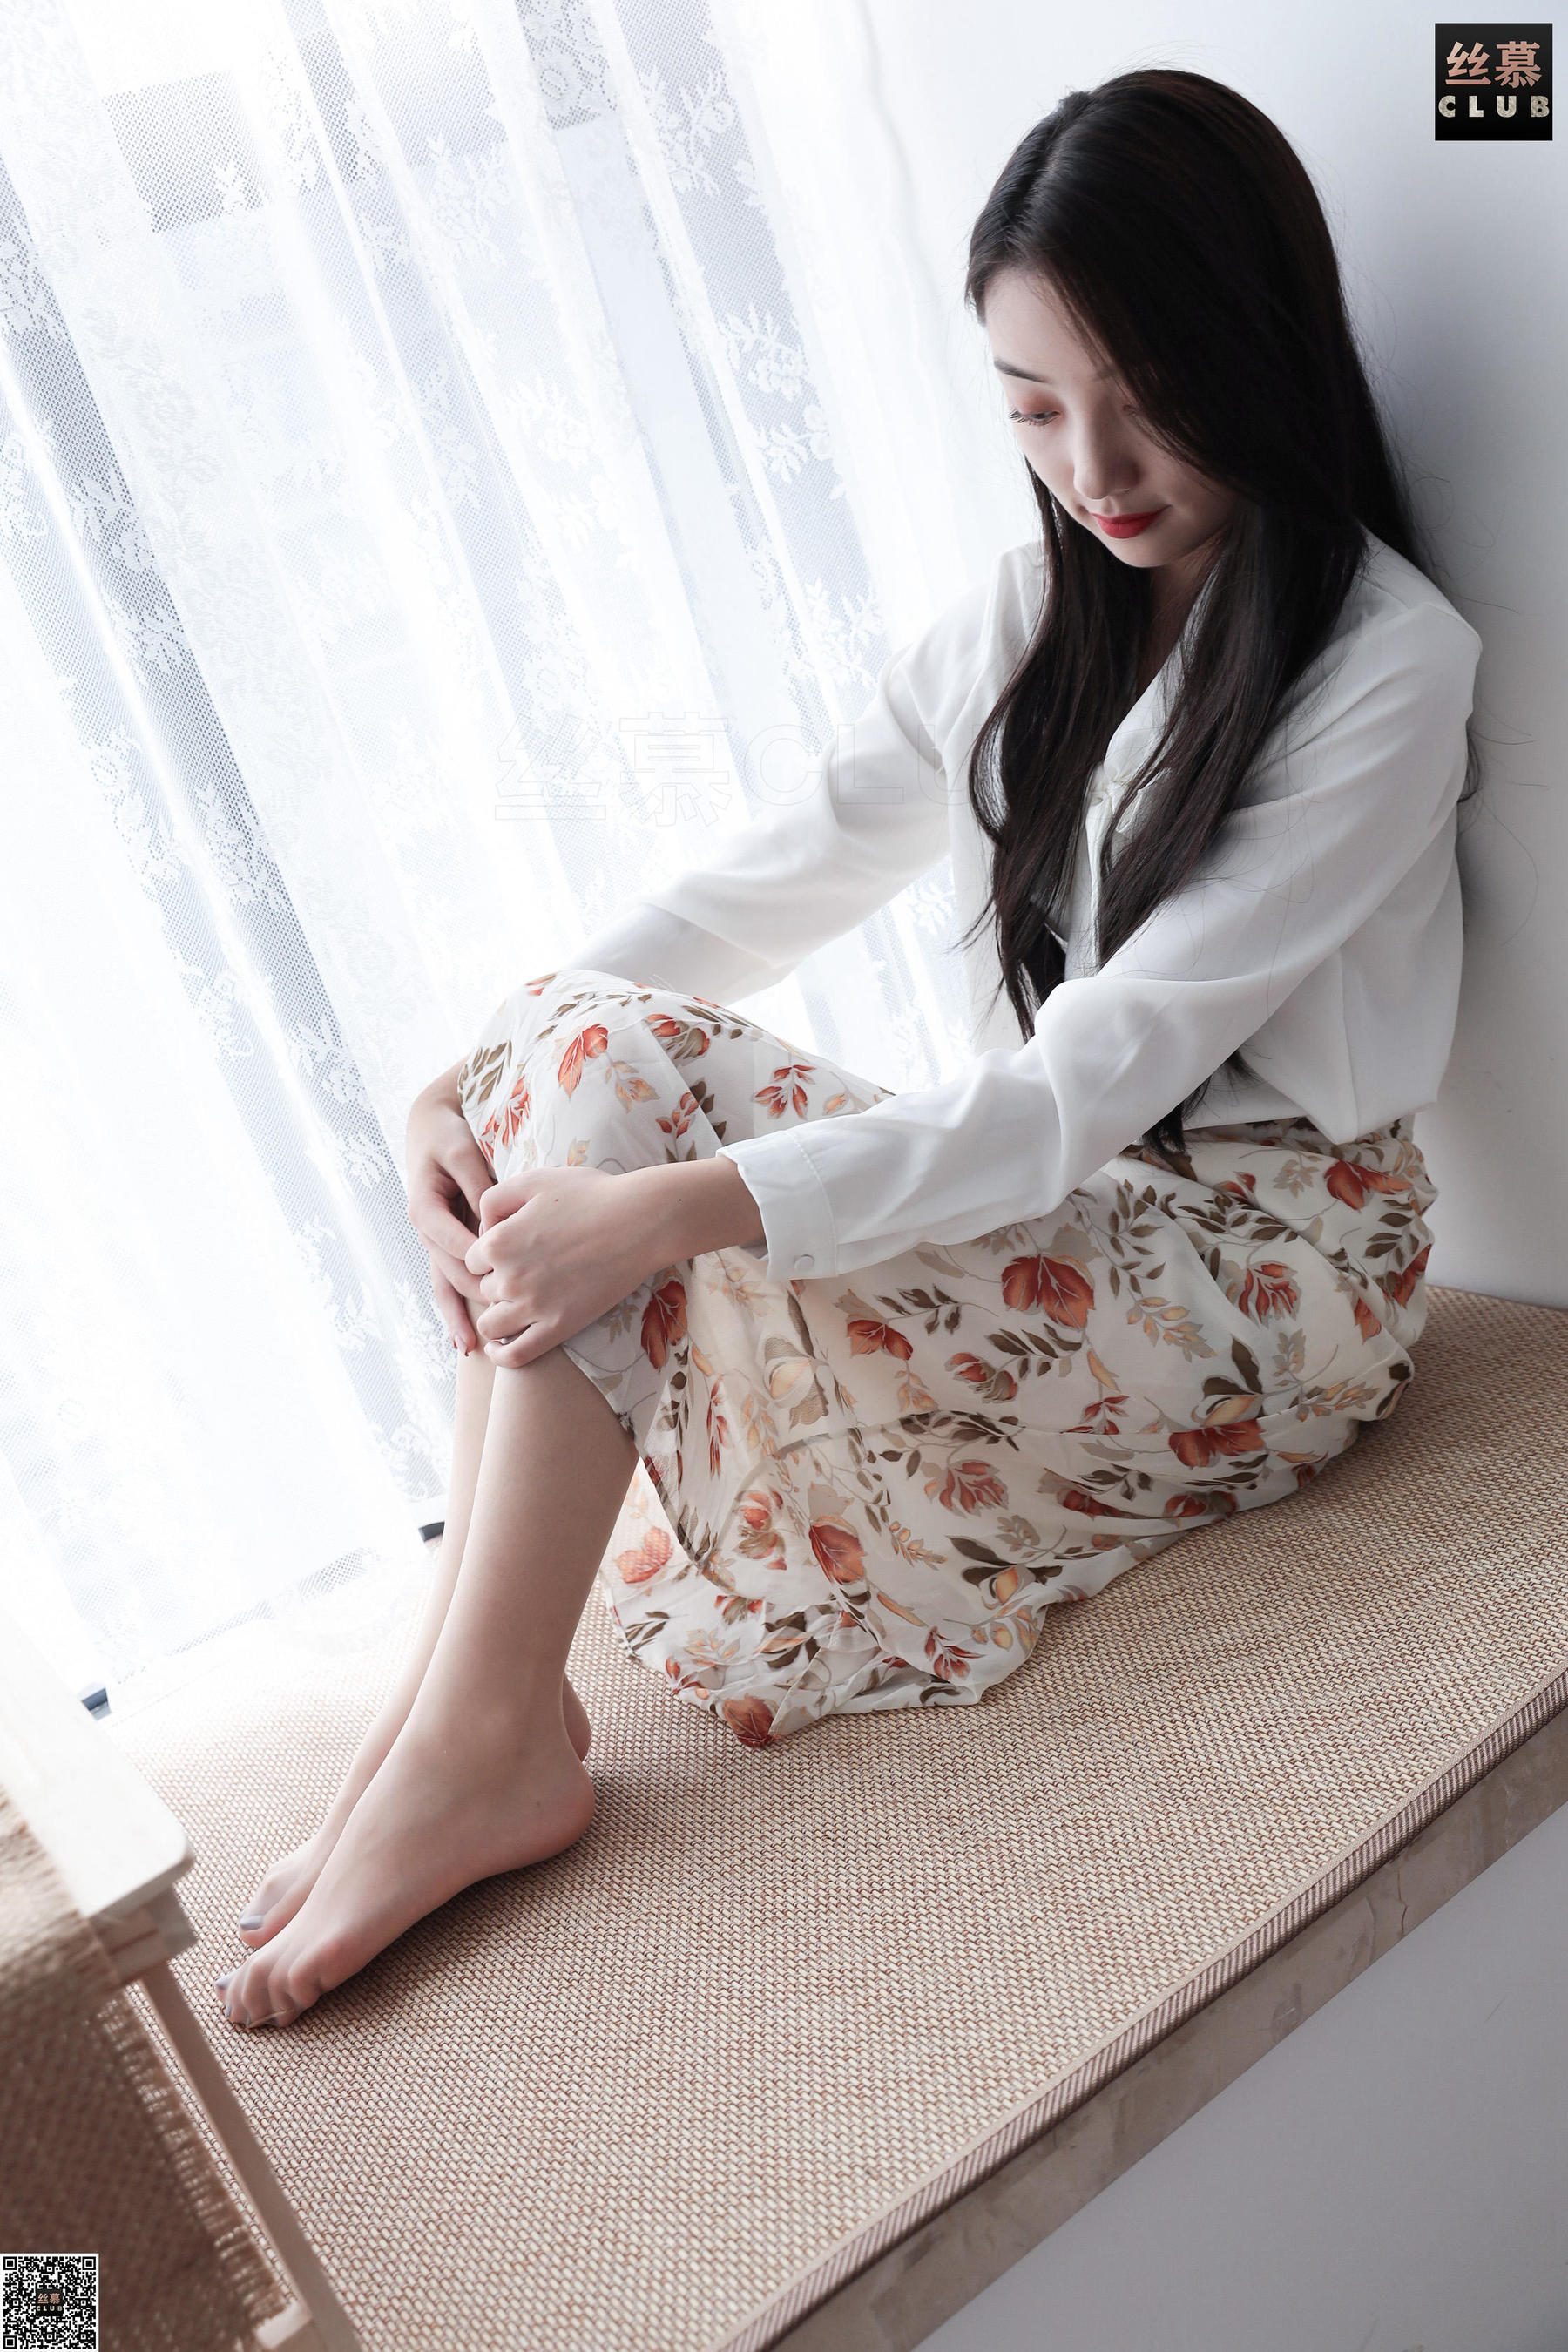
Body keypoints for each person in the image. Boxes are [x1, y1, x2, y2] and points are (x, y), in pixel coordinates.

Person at [217, 67, 1482, 2029]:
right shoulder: (1033, 618)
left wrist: (674, 1210)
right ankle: (460, 1712)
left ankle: (476, 1732)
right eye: (1034, 408)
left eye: (1146, 398)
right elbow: (766, 879)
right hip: (1088, 1217)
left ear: (1261, 351)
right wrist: (455, 1081)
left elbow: (1077, 1090)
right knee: (574, 1039)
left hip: (1271, 1284)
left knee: (628, 1123)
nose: (1093, 465)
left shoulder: (1386, 664)